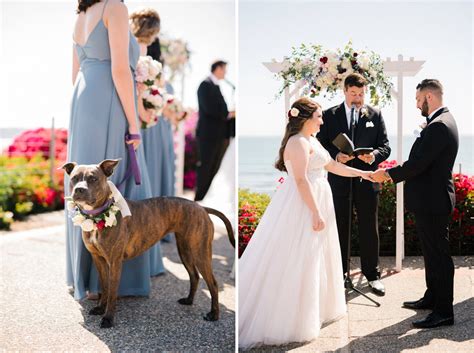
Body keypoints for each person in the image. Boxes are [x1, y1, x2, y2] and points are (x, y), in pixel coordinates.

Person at [239, 98, 373, 348]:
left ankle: (315, 309)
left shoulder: (312, 140)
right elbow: (301, 180)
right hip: (302, 205)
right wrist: (315, 212)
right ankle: (292, 318)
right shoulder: (297, 142)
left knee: (316, 257)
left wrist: (364, 174)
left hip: (318, 198)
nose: (322, 121)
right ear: (306, 118)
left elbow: (332, 166)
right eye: (319, 117)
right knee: (299, 257)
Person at [66, 0, 164, 300]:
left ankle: (81, 275)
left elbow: (75, 72)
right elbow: (121, 70)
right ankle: (108, 281)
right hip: (109, 97)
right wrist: (134, 125)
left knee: (85, 181)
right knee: (109, 181)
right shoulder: (115, 7)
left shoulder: (81, 15)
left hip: (83, 99)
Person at [372, 79, 458, 329]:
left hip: (434, 201)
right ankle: (433, 297)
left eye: (418, 99)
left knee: (439, 257)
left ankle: (443, 312)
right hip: (431, 200)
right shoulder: (442, 122)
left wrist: (387, 174)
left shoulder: (439, 126)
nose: (417, 104)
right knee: (431, 254)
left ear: (429, 97)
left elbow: (419, 163)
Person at [317, 73, 390, 296]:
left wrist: (374, 156)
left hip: (367, 180)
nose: (358, 97)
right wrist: (336, 156)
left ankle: (372, 275)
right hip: (339, 181)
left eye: (361, 93)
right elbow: (319, 144)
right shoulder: (330, 115)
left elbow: (385, 146)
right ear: (345, 91)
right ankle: (340, 274)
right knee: (339, 227)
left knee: (369, 228)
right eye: (353, 93)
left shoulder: (375, 115)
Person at [130, 8, 175, 244]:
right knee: (146, 169)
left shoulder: (135, 50)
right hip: (141, 117)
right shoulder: (140, 52)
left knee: (145, 171)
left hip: (142, 115)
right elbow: (138, 87)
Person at [195, 60, 235, 201]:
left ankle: (204, 197)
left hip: (219, 135)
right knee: (206, 166)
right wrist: (229, 114)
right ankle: (199, 197)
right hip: (208, 136)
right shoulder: (205, 85)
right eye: (224, 69)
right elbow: (210, 109)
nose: (226, 73)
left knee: (215, 167)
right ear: (217, 69)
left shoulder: (216, 86)